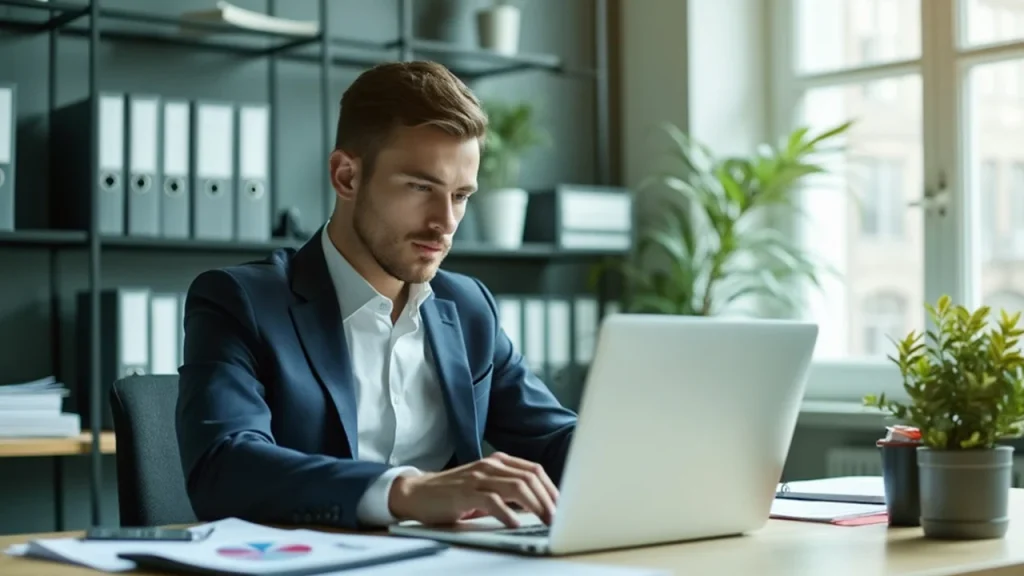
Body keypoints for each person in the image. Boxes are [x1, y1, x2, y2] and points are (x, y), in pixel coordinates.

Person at [175, 61, 578, 531]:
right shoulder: (240, 301)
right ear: (346, 176)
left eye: (461, 195)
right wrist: (404, 491)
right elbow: (224, 468)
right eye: (420, 187)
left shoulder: (469, 310)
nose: (445, 221)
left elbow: (555, 438)